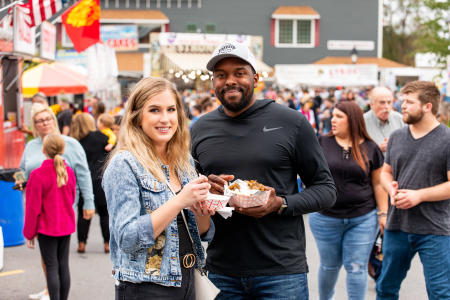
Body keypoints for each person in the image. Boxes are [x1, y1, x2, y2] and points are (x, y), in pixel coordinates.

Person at [191, 41, 337, 299]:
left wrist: (279, 203)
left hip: (281, 272)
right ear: (212, 82)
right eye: (221, 75)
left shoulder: (291, 122)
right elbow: (188, 193)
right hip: (221, 270)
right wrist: (206, 190)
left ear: (255, 78)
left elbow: (326, 190)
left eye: (239, 73)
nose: (230, 81)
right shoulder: (199, 129)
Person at [102, 77, 216, 299]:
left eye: (171, 109)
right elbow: (126, 239)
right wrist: (179, 201)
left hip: (188, 278)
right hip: (146, 287)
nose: (165, 119)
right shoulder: (124, 164)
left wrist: (203, 210)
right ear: (137, 117)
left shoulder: (184, 161)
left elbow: (200, 231)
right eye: (154, 110)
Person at [376, 81, 450, 300]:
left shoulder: (447, 139)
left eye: (408, 102)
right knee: (385, 288)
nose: (402, 107)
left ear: (427, 106)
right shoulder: (397, 136)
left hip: (435, 229)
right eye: (403, 101)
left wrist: (419, 195)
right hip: (397, 226)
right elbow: (385, 173)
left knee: (440, 293)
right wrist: (391, 189)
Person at [309, 100, 387, 300]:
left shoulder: (371, 148)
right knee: (329, 266)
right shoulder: (321, 143)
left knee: (357, 267)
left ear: (352, 120)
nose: (332, 119)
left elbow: (378, 183)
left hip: (362, 218)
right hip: (326, 218)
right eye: (332, 115)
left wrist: (383, 213)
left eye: (338, 116)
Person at [18, 103, 95, 300]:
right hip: (64, 220)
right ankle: (55, 294)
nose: (44, 123)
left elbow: (84, 175)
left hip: (47, 220)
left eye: (47, 119)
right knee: (61, 264)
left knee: (52, 264)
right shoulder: (38, 152)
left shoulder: (71, 146)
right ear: (34, 125)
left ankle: (53, 294)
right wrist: (21, 182)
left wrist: (89, 202)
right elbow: (23, 172)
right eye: (39, 121)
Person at [23, 134, 76, 300]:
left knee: (51, 267)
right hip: (65, 226)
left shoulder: (38, 175)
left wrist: (29, 233)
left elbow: (33, 208)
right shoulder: (68, 172)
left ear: (43, 150)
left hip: (47, 229)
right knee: (63, 266)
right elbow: (72, 197)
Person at [70, 113, 110, 254]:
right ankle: (107, 243)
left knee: (83, 213)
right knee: (105, 214)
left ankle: (81, 243)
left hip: (83, 180)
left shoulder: (75, 141)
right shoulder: (102, 138)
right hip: (101, 179)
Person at [364, 87, 404, 154]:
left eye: (389, 102)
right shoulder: (362, 122)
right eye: (382, 103)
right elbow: (355, 151)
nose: (387, 107)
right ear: (371, 104)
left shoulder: (400, 119)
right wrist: (377, 149)